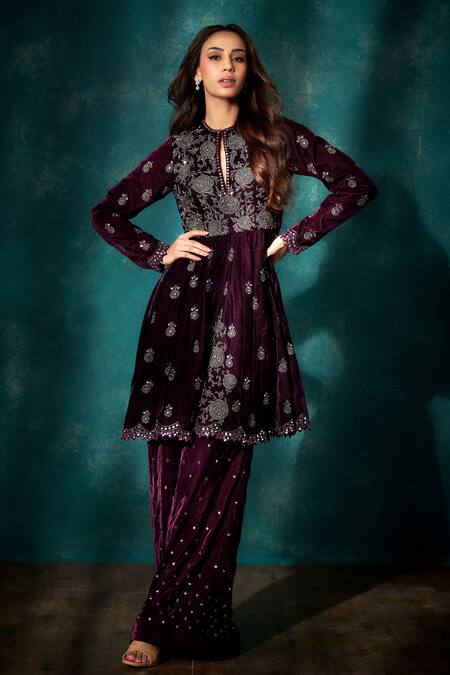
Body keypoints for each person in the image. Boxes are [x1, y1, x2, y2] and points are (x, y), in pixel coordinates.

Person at [90, 23, 378, 668]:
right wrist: (157, 252)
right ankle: (180, 620)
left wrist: (290, 240)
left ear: (249, 71)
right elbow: (107, 211)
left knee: (217, 466)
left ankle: (160, 622)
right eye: (214, 57)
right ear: (196, 73)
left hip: (246, 313)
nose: (227, 66)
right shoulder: (178, 150)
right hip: (179, 314)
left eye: (238, 58)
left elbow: (355, 185)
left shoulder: (279, 136)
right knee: (172, 465)